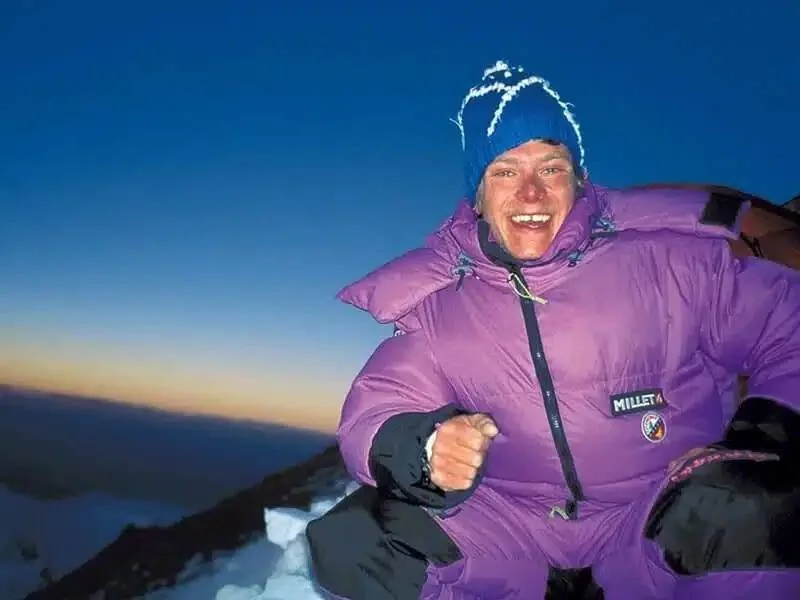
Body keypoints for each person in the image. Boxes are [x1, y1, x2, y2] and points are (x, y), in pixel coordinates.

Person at [306, 60, 800, 599]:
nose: (531, 193)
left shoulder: (672, 263)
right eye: (505, 171)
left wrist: (756, 440)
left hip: (645, 522)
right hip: (514, 535)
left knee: (747, 507)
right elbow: (374, 410)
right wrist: (423, 451)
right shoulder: (439, 304)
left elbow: (789, 326)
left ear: (578, 178)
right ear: (477, 196)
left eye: (551, 168)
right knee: (356, 543)